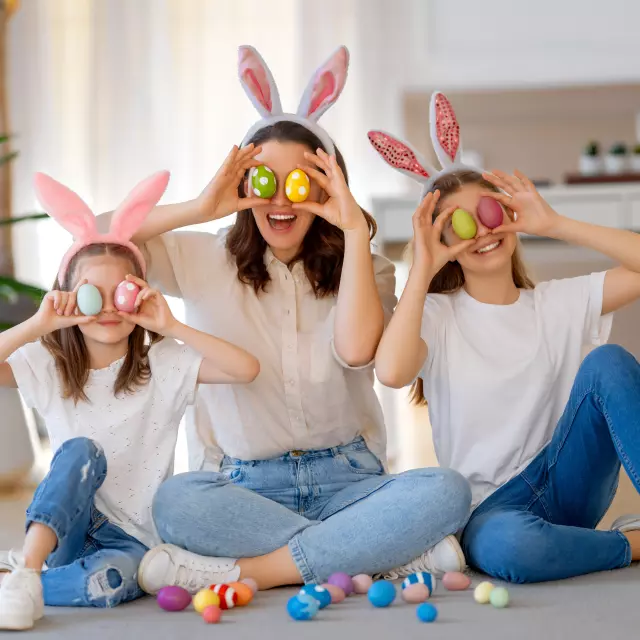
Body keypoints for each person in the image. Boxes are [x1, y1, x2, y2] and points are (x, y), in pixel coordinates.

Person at [102, 46, 471, 594]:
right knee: (176, 503)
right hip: (245, 485)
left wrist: (352, 230)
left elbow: (355, 350)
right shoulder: (203, 255)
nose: (281, 199)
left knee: (447, 491)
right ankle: (378, 556)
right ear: (244, 185)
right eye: (264, 181)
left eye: (299, 183)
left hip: (352, 479)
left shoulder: (368, 266)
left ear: (328, 187)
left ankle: (257, 571)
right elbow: (102, 239)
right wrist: (203, 207)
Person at [371, 91, 640, 584]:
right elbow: (390, 372)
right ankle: (628, 544)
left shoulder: (558, 303)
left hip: (568, 479)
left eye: (488, 213)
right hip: (494, 510)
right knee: (508, 548)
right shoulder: (436, 314)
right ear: (443, 242)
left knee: (609, 363)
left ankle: (593, 541)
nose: (481, 233)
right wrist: (423, 264)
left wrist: (556, 224)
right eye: (459, 225)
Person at [0, 171, 259, 630]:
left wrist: (172, 326)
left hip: (131, 542)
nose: (105, 308)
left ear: (139, 295)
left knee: (112, 583)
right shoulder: (49, 363)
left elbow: (246, 369)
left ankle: (27, 581)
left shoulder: (165, 363)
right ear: (67, 297)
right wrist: (38, 326)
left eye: (120, 293)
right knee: (82, 451)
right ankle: (30, 569)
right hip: (66, 528)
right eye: (88, 294)